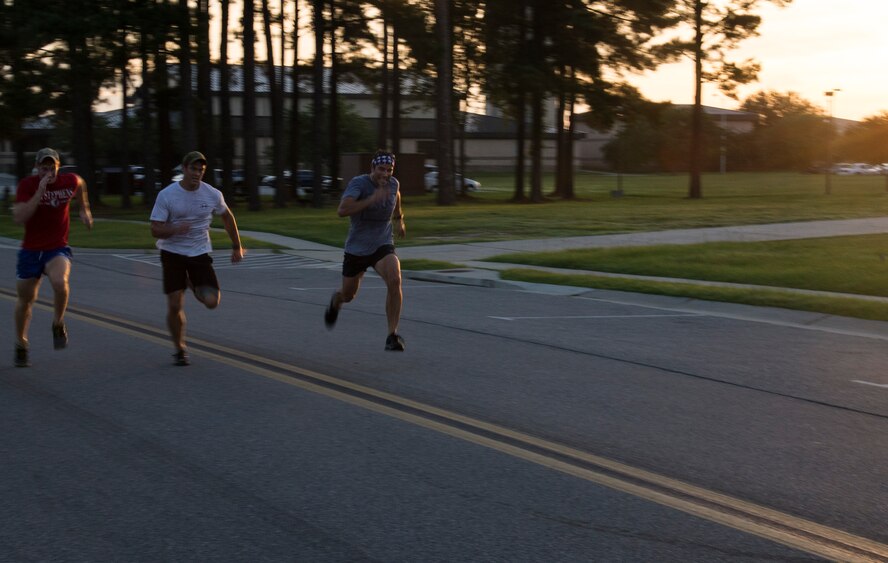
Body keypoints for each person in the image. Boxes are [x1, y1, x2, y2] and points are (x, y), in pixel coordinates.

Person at [150, 151, 244, 366]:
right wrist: (174, 228)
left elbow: (227, 216)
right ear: (184, 169)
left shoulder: (212, 194)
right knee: (175, 304)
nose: (197, 173)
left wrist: (237, 246)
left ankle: (190, 281)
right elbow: (155, 229)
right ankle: (179, 349)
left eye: (201, 170)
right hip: (172, 253)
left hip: (199, 252)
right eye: (193, 168)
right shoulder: (167, 195)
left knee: (212, 302)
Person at [12, 147, 93, 367]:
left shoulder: (68, 181)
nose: (49, 172)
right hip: (30, 250)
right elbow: (20, 218)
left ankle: (58, 322)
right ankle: (21, 343)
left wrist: (84, 208)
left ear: (58, 166)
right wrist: (40, 191)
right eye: (44, 167)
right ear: (37, 168)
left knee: (60, 282)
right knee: (25, 301)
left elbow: (80, 183)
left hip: (56, 247)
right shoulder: (27, 186)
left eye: (52, 167)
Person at [325, 150, 407, 351]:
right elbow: (342, 210)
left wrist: (399, 220)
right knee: (348, 295)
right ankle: (337, 300)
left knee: (395, 279)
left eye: (389, 170)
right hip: (357, 248)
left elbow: (396, 199)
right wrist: (371, 199)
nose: (385, 174)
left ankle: (392, 335)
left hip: (382, 243)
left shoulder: (394, 184)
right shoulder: (359, 184)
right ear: (372, 168)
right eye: (381, 169)